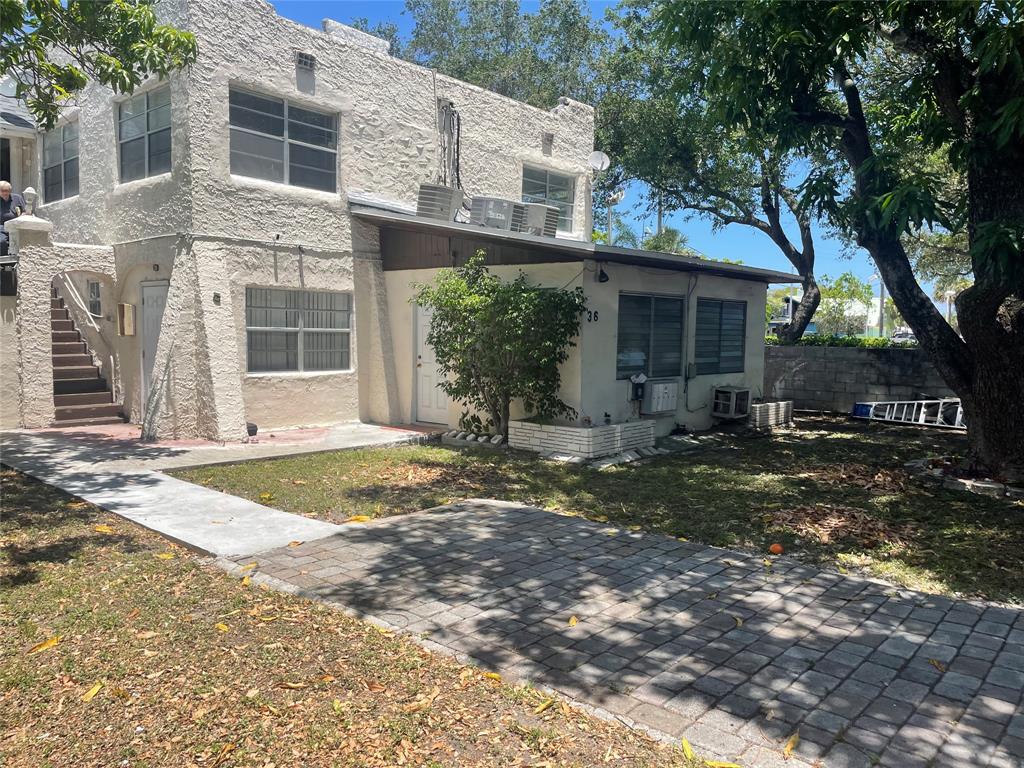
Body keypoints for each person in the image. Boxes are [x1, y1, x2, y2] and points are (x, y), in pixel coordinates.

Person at [1, 181, 27, 257]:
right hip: (2, 226)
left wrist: (23, 215)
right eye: (2, 191)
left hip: (16, 225)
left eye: (7, 191)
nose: (5, 193)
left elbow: (25, 211)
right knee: (1, 241)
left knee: (21, 242)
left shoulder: (17, 198)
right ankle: (3, 259)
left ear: (10, 190)